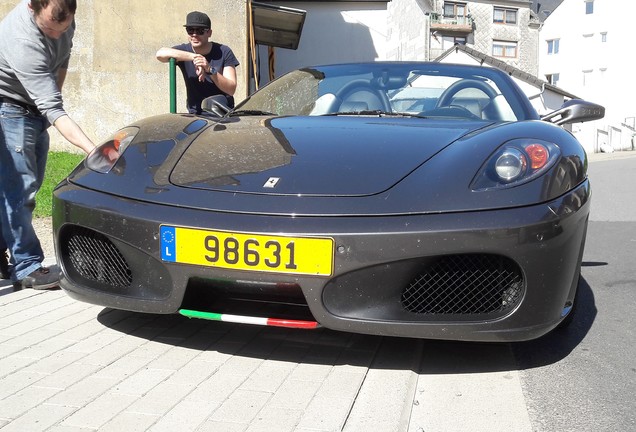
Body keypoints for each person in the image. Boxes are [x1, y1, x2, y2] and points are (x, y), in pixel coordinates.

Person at [0, 0, 96, 290]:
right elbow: (53, 108)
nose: (56, 35)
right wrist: (92, 149)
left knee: (24, 186)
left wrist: (51, 100)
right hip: (10, 109)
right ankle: (27, 265)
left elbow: (62, 61)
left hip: (34, 109)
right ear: (32, 8)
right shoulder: (22, 39)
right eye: (48, 30)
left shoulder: (64, 18)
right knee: (20, 191)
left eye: (63, 28)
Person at [156, 11, 240, 114]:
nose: (194, 35)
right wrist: (195, 57)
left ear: (209, 33)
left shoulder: (224, 51)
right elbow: (160, 54)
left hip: (223, 115)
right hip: (196, 116)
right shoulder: (184, 51)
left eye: (200, 31)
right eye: (190, 30)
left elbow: (231, 89)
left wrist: (209, 69)